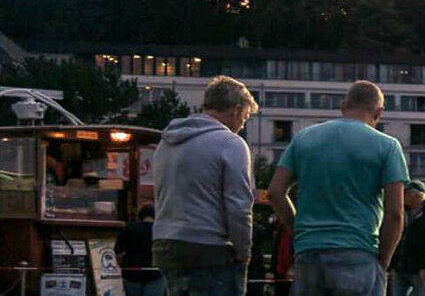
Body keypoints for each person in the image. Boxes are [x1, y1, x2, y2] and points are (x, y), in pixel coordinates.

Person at [267, 80, 410, 296]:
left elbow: (275, 192)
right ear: (378, 112)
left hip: (309, 251)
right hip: (358, 251)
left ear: (343, 106)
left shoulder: (304, 138)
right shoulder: (387, 146)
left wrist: (299, 230)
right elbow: (395, 214)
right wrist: (383, 259)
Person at [153, 76, 258, 296]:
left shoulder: (167, 142)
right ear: (236, 110)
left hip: (165, 244)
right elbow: (238, 207)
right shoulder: (230, 143)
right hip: (209, 247)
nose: (242, 125)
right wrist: (243, 253)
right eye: (245, 117)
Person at [393, 181, 425, 296]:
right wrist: (394, 264)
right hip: (402, 266)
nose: (404, 196)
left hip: (419, 268)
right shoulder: (404, 213)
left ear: (417, 196)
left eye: (407, 194)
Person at [117, 205, 163, 296]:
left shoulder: (129, 228)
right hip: (154, 272)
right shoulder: (160, 230)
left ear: (140, 215)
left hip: (131, 273)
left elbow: (118, 252)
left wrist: (121, 266)